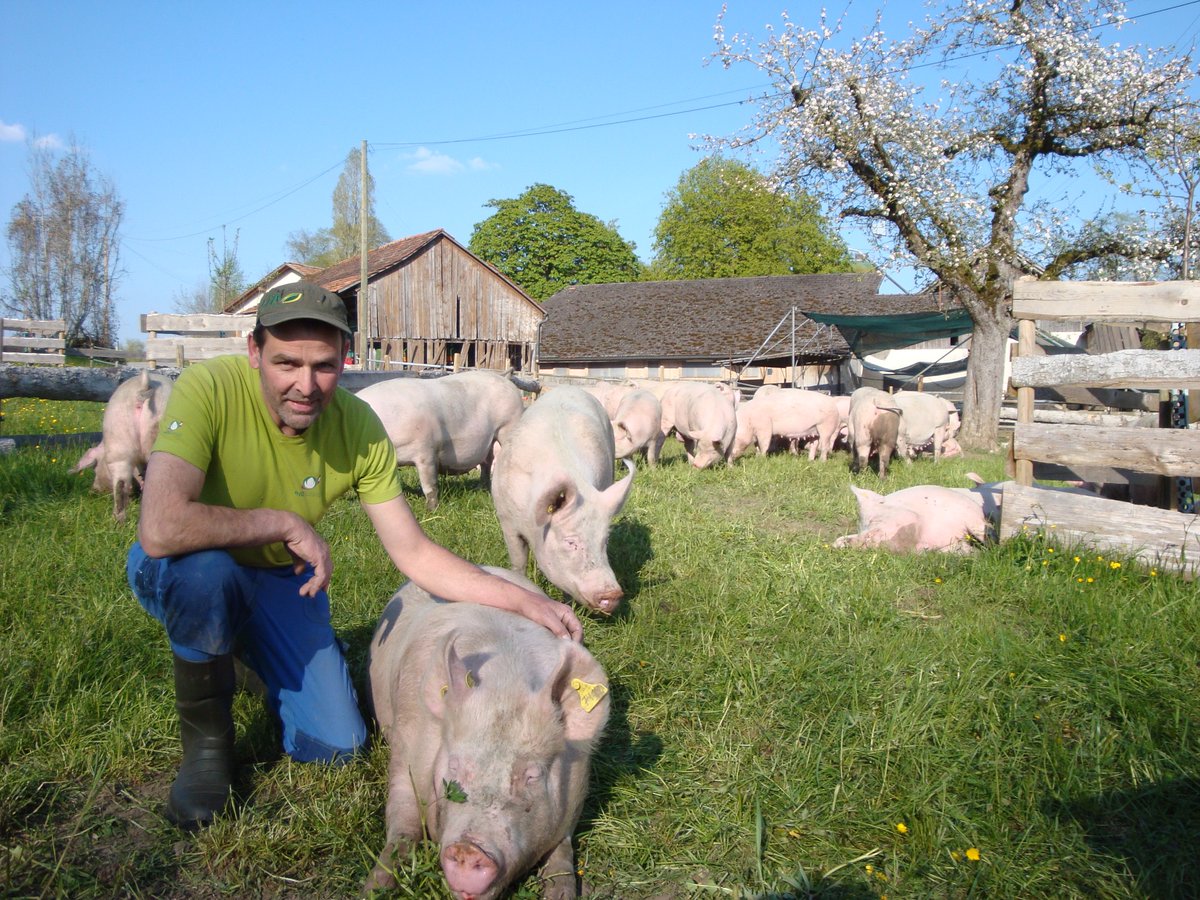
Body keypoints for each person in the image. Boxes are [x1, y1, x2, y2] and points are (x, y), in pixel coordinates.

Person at [126, 280, 582, 830]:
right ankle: (207, 748)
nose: (305, 384)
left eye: (323, 365)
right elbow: (161, 526)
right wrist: (282, 521)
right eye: (286, 363)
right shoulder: (208, 389)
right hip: (187, 566)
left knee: (338, 744)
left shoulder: (358, 427)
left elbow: (415, 553)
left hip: (280, 581)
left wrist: (522, 601)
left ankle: (244, 652)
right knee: (208, 577)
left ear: (345, 359)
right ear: (254, 352)